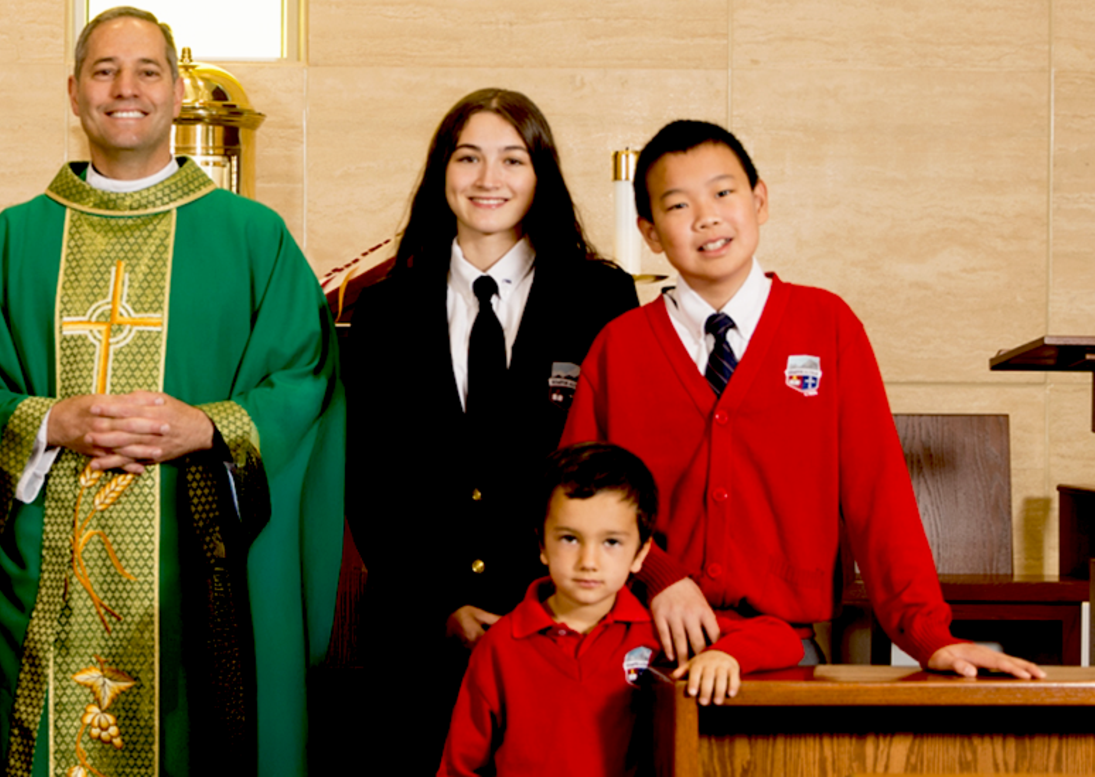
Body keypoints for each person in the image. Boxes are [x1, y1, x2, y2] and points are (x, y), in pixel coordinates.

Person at [0, 6, 346, 777]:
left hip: (199, 570)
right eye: (104, 70)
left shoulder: (253, 237)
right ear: (74, 92)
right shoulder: (13, 239)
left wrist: (209, 428)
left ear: (176, 90)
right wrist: (48, 420)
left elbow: (304, 379)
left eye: (147, 70)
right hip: (45, 575)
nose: (126, 88)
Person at [560, 119, 1044, 678]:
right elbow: (577, 501)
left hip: (783, 654)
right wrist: (662, 579)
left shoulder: (827, 326)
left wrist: (928, 634)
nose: (707, 216)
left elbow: (877, 494)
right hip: (640, 646)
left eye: (723, 192)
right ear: (649, 231)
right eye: (677, 205)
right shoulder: (619, 346)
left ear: (759, 200)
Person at [344, 88, 639, 771]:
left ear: (541, 177)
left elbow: (607, 465)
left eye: (512, 160)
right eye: (467, 157)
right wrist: (441, 605)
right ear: (439, 172)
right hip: (416, 634)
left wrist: (542, 600)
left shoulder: (599, 297)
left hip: (560, 625)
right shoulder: (383, 308)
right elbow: (369, 478)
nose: (488, 179)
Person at [438, 442, 799, 777]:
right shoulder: (499, 646)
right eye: (569, 539)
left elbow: (783, 639)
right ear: (542, 545)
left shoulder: (658, 632)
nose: (588, 561)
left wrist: (723, 656)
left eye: (611, 542)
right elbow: (459, 767)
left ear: (641, 554)